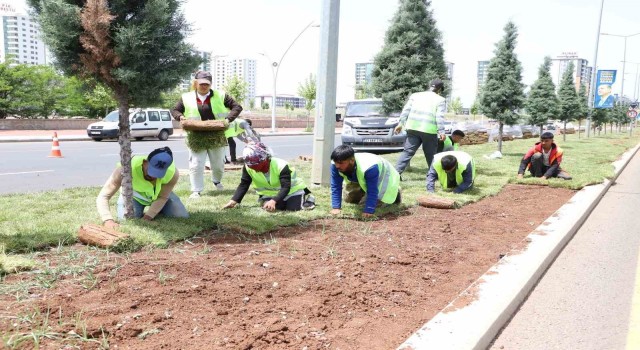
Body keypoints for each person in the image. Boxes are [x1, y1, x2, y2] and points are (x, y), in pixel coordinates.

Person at [171, 70, 243, 199]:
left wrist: (227, 120)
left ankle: (216, 180)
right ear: (195, 83)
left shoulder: (221, 95)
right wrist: (180, 117)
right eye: (201, 83)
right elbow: (175, 109)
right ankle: (196, 190)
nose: (204, 86)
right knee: (196, 164)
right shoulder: (186, 97)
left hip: (217, 135)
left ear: (210, 84)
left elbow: (237, 107)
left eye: (207, 84)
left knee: (218, 164)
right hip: (196, 135)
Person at [97, 147, 188, 229]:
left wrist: (148, 217)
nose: (153, 177)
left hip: (159, 195)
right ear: (145, 162)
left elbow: (162, 197)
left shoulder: (172, 173)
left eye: (158, 174)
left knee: (181, 216)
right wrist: (108, 220)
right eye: (151, 171)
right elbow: (103, 196)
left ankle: (157, 210)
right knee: (128, 221)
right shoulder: (126, 169)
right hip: (134, 196)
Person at [222, 142, 315, 211]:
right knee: (273, 209)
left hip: (292, 191)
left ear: (265, 159)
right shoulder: (248, 167)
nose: (254, 169)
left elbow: (286, 187)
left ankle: (309, 199)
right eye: (251, 166)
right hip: (269, 194)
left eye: (256, 165)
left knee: (293, 209)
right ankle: (277, 202)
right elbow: (244, 184)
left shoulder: (281, 165)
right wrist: (234, 200)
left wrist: (274, 200)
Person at [330, 145, 401, 218]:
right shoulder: (335, 165)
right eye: (336, 162)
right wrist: (336, 208)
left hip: (382, 177)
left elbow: (372, 190)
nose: (337, 166)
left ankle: (395, 193)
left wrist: (369, 210)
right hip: (359, 177)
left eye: (341, 163)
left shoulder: (369, 167)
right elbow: (335, 186)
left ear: (352, 160)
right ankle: (363, 192)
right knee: (348, 199)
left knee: (364, 204)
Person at [394, 78, 447, 174]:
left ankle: (396, 173)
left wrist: (400, 124)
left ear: (430, 86)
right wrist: (441, 132)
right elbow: (439, 117)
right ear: (439, 89)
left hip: (412, 128)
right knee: (431, 155)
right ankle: (433, 175)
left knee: (407, 152)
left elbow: (406, 110)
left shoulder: (415, 95)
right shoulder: (440, 100)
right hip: (429, 131)